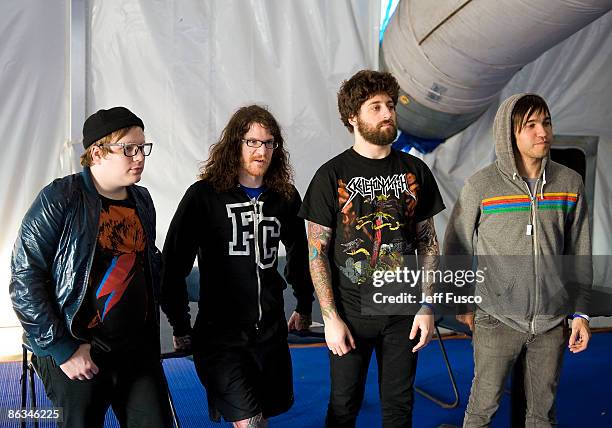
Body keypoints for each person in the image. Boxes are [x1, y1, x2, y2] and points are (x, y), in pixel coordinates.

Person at [299, 70, 446, 427]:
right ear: (353, 117)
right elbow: (317, 253)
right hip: (350, 314)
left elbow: (427, 241)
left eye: (391, 106)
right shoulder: (331, 175)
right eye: (375, 106)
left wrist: (427, 304)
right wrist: (331, 319)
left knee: (399, 408)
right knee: (343, 406)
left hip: (403, 313)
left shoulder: (415, 171)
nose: (387, 114)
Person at [9, 107, 172, 427]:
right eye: (129, 149)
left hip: (135, 352)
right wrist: (62, 349)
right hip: (76, 346)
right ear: (97, 152)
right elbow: (24, 278)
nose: (139, 156)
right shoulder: (60, 198)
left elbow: (147, 267)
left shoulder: (142, 200)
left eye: (143, 147)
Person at [444, 93, 592, 427]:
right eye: (531, 125)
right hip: (496, 320)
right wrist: (461, 303)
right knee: (482, 410)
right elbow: (456, 248)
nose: (543, 132)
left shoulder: (570, 183)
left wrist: (581, 313)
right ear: (509, 134)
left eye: (547, 122)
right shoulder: (481, 185)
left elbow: (579, 251)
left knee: (543, 415)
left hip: (551, 322)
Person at [161, 105, 314, 427]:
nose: (262, 151)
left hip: (270, 333)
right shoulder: (203, 196)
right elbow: (173, 264)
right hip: (221, 335)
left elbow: (300, 254)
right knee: (251, 421)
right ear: (235, 144)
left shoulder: (284, 197)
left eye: (269, 143)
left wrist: (303, 304)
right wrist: (179, 324)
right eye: (253, 142)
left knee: (262, 415)